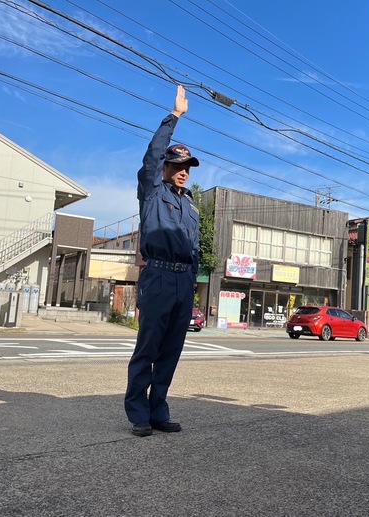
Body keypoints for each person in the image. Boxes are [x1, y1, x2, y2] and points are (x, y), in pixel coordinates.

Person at [125, 85, 200, 437]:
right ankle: (139, 412)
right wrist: (174, 117)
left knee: (171, 350)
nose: (184, 171)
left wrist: (193, 280)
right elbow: (151, 156)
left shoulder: (191, 205)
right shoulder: (153, 191)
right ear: (167, 167)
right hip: (157, 277)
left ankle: (159, 410)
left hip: (183, 282)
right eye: (178, 165)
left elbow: (194, 247)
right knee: (148, 346)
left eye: (188, 167)